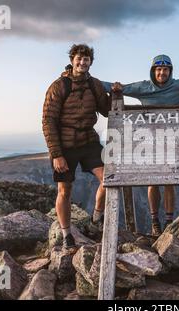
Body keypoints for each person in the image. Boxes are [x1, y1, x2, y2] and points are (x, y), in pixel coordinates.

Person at [105, 54, 179, 237]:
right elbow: (112, 87)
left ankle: (168, 221)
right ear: (153, 71)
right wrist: (97, 82)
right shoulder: (143, 87)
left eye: (165, 69)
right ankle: (154, 221)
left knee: (169, 182)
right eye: (158, 69)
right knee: (152, 181)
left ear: (170, 71)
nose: (162, 73)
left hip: (174, 141)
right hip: (150, 142)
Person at [42, 44, 110, 251]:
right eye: (79, 58)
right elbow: (48, 121)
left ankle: (96, 219)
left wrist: (115, 94)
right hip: (65, 144)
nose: (82, 62)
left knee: (109, 179)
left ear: (91, 62)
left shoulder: (95, 85)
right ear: (72, 60)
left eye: (86, 59)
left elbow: (106, 111)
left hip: (88, 140)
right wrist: (56, 154)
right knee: (65, 190)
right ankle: (66, 234)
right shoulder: (59, 86)